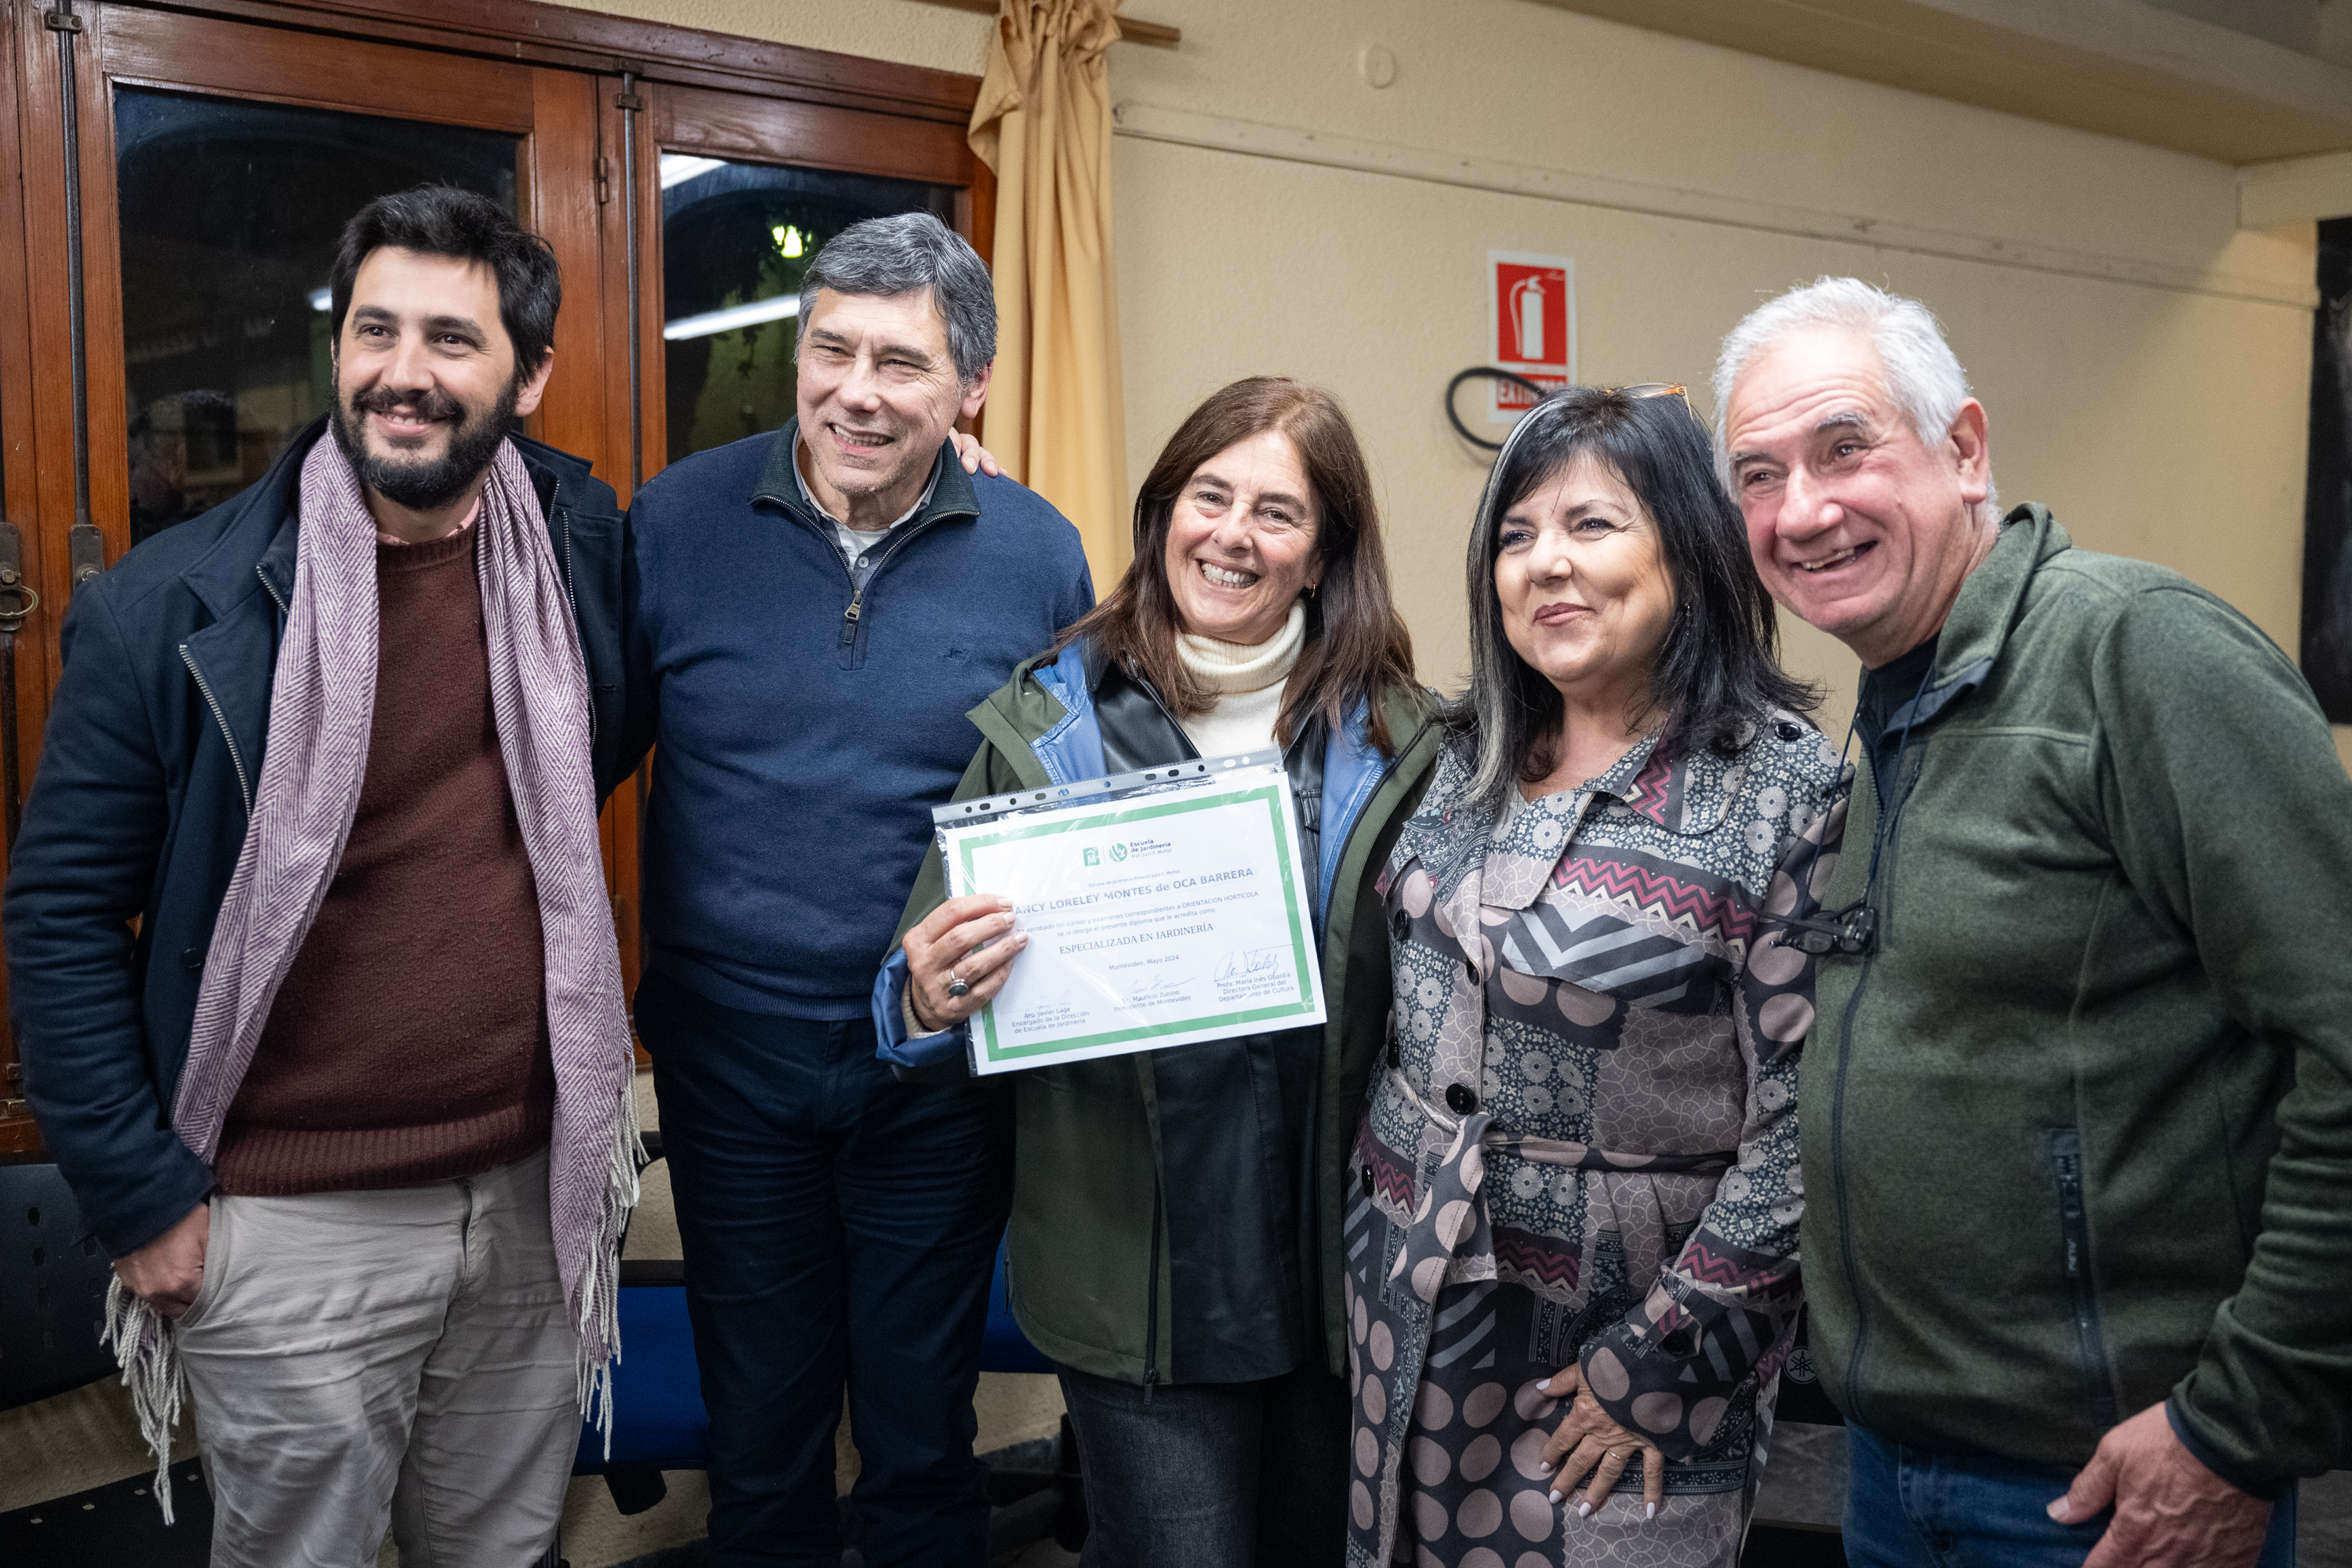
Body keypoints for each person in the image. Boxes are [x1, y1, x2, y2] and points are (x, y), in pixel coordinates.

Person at [4, 185, 637, 1565]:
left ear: (527, 375)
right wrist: (139, 1198)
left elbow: (607, 749)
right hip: (285, 1219)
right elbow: (57, 917)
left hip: (534, 1196)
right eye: (373, 330)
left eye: (452, 341)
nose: (403, 374)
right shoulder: (172, 610)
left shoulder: (579, 554)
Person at [1714, 275, 2350, 1568]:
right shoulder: (1900, 703)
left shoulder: (2135, 654)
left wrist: (2238, 1426)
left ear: (1963, 451)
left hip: (2110, 1497)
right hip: (1895, 1480)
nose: (1804, 510)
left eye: (1846, 449)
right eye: (1760, 476)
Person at [874, 376, 1439, 1566]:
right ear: (1162, 515)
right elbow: (913, 1000)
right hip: (1131, 1274)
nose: (1233, 535)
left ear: (1325, 553)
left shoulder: (1405, 740)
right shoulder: (1049, 722)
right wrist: (928, 994)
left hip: (1342, 1275)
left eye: (1277, 513)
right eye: (1208, 496)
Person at [619, 210, 1091, 1566]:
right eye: (832, 350)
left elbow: (1064, 801)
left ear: (974, 390)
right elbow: (574, 754)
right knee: (758, 1443)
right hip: (732, 1063)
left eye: (904, 365)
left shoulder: (1035, 549)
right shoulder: (677, 521)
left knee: (919, 1439)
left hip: (937, 1070)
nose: (857, 393)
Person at [1348, 384, 1845, 1567]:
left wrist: (1656, 1364)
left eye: (1590, 526)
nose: (1545, 566)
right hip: (1407, 1315)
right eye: (1516, 538)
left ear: (1690, 544)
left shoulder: (1785, 794)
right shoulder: (1456, 757)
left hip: (1624, 1352)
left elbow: (1806, 1130)